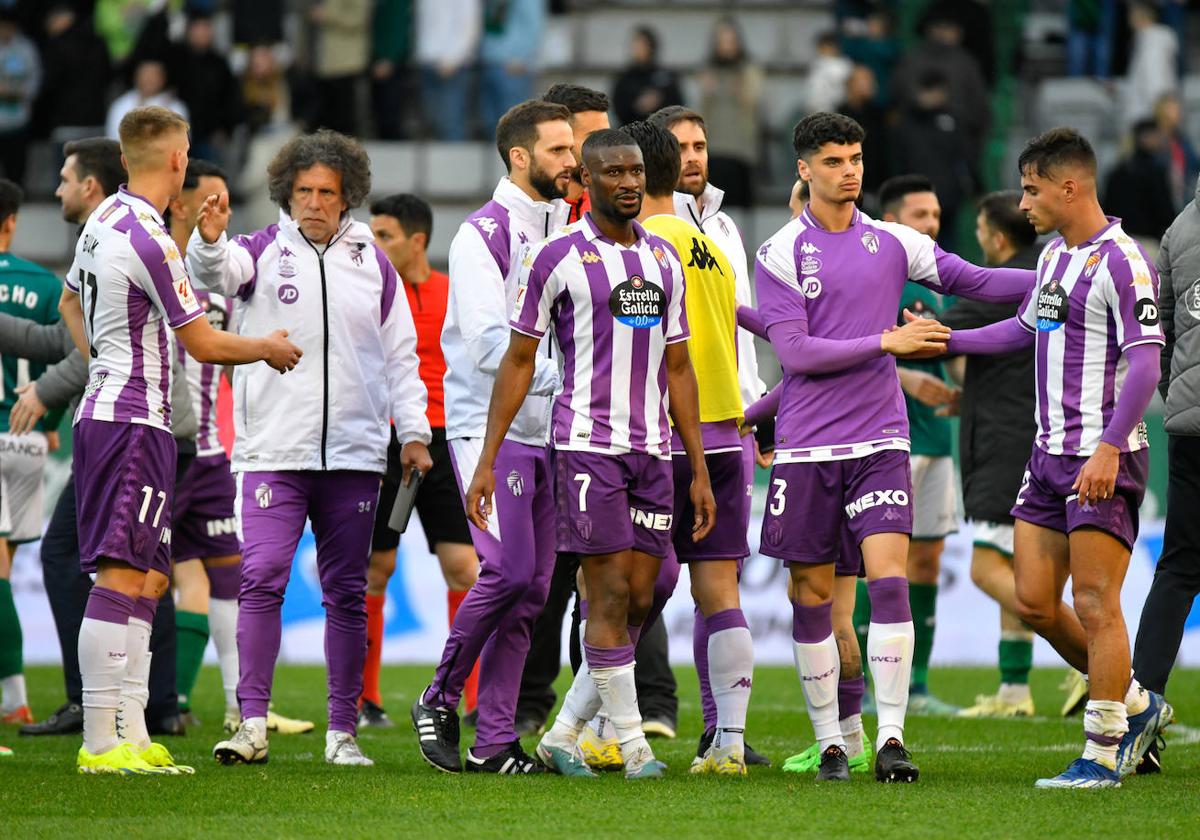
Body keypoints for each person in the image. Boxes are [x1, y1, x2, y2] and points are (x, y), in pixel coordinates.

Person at [742, 112, 1033, 783]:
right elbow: (795, 353)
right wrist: (886, 341)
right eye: (836, 160)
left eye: (856, 158)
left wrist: (1056, 276)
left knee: (892, 580)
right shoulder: (780, 253)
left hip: (880, 438)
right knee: (812, 598)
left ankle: (893, 738)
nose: (851, 171)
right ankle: (833, 744)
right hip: (809, 449)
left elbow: (976, 281)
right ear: (805, 170)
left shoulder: (895, 242)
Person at [468, 127, 714, 780]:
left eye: (635, 172)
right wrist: (489, 457)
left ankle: (562, 734)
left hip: (653, 454)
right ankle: (634, 747)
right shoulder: (555, 259)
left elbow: (681, 369)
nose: (629, 183)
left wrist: (699, 468)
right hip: (586, 451)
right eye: (612, 173)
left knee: (645, 593)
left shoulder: (664, 261)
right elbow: (518, 361)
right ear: (585, 180)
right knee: (605, 593)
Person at [65, 106, 301, 775]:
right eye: (188, 148)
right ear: (175, 159)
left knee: (147, 574)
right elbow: (199, 340)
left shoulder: (101, 221)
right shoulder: (146, 237)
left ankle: (133, 732)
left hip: (124, 418)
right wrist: (266, 347)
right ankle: (101, 741)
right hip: (131, 423)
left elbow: (73, 304)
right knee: (121, 574)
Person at [191, 128, 431, 768]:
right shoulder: (259, 249)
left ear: (348, 194)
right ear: (285, 193)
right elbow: (212, 272)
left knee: (346, 593)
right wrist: (208, 238)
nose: (315, 202)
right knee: (262, 578)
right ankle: (250, 724)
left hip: (354, 455)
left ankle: (341, 732)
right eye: (303, 191)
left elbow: (401, 359)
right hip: (274, 451)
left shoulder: (373, 261)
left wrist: (412, 433)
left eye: (327, 191)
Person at [943, 127, 1171, 788]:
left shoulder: (1124, 261)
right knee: (1035, 601)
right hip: (1044, 458)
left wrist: (1106, 447)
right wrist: (943, 342)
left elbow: (1146, 364)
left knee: (1095, 601)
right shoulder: (1051, 258)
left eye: (1032, 188)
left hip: (1102, 458)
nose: (1023, 202)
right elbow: (1022, 330)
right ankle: (1133, 703)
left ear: (1070, 186)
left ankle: (1102, 752)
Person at [412, 100, 573, 775]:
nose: (571, 162)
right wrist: (572, 381)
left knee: (533, 590)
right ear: (519, 156)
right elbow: (484, 345)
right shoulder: (486, 232)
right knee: (506, 571)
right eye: (559, 151)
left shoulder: (568, 225)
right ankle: (439, 695)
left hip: (547, 434)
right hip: (490, 426)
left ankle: (495, 741)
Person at [166, 159, 313, 737]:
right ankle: (157, 701)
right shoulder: (159, 268)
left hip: (209, 454)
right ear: (181, 204)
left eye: (225, 204)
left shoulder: (225, 276)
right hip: (163, 447)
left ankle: (237, 704)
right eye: (209, 202)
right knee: (158, 579)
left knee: (226, 577)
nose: (217, 214)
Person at [627, 119, 754, 775]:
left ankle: (595, 729)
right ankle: (728, 743)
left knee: (627, 590)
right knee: (719, 591)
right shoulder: (712, 246)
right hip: (726, 433)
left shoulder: (644, 246)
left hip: (665, 436)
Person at [650, 103, 770, 766]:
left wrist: (758, 409)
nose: (694, 156)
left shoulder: (720, 228)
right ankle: (623, 717)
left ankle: (719, 732)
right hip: (667, 428)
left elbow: (733, 333)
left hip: (719, 423)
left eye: (701, 144)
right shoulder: (665, 231)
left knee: (701, 584)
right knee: (648, 585)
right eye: (682, 147)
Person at [361, 193, 478, 730]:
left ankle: (470, 699)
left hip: (444, 441)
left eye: (384, 236)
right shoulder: (367, 294)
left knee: (465, 568)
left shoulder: (455, 295)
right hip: (384, 441)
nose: (374, 244)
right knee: (375, 569)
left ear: (418, 241)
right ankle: (365, 699)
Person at [514, 83, 610, 735]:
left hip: (604, 428)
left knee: (607, 580)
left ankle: (600, 717)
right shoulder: (533, 226)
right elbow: (506, 342)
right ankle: (520, 709)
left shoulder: (619, 225)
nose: (593, 153)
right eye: (581, 140)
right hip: (541, 426)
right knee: (542, 581)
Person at [941, 190, 1040, 719]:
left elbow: (935, 333)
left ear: (997, 237)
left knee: (986, 568)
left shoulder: (996, 289)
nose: (978, 237)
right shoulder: (1050, 272)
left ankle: (1086, 657)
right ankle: (1014, 688)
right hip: (1037, 433)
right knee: (1019, 562)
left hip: (1004, 441)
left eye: (980, 229)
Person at [867, 174, 960, 717]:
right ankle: (862, 683)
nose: (932, 224)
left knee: (925, 559)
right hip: (890, 436)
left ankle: (918, 685)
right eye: (921, 215)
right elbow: (855, 348)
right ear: (894, 221)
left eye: (936, 215)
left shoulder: (932, 282)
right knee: (877, 564)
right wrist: (907, 380)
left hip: (936, 436)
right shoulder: (878, 275)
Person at [1129, 167, 1200, 776]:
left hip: (1187, 423)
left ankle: (1137, 718)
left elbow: (1167, 331)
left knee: (1178, 568)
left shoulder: (1179, 229)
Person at [0, 179, 65, 726]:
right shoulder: (44, 284)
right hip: (25, 436)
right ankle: (14, 695)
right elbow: (67, 357)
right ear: (12, 222)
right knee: (5, 563)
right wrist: (52, 421)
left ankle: (13, 699)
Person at [696, 17, 763, 209]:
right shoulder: (708, 71)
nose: (726, 46)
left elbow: (755, 106)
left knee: (739, 211)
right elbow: (700, 112)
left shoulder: (749, 70)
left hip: (741, 151)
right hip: (714, 149)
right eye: (721, 41)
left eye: (730, 41)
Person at [1103, 120, 1176, 244]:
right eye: (1156, 135)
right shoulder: (1155, 171)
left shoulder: (1117, 171)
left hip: (1119, 241)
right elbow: (1164, 210)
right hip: (1148, 241)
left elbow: (1106, 207)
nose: (1159, 140)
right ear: (1145, 138)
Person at [415, 0, 480, 140]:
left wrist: (454, 59)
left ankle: (455, 162)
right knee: (431, 122)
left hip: (451, 65)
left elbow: (469, 25)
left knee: (451, 123)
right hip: (428, 61)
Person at [479, 0, 544, 133]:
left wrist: (522, 58)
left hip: (513, 66)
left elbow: (535, 25)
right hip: (489, 60)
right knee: (490, 122)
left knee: (514, 125)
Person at [612, 27, 683, 127]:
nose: (637, 49)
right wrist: (638, 106)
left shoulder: (667, 76)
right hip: (631, 134)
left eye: (642, 45)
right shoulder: (624, 78)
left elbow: (678, 106)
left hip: (661, 134)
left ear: (651, 46)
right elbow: (618, 109)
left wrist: (658, 102)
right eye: (635, 44)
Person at [0, 12, 40, 186]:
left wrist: (19, 92)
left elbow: (35, 78)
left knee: (16, 163)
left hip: (18, 118)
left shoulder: (26, 49)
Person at [105, 60, 188, 141]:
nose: (148, 80)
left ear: (163, 79)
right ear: (136, 77)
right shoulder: (121, 105)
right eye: (145, 75)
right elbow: (114, 138)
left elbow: (180, 142)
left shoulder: (175, 107)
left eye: (154, 76)